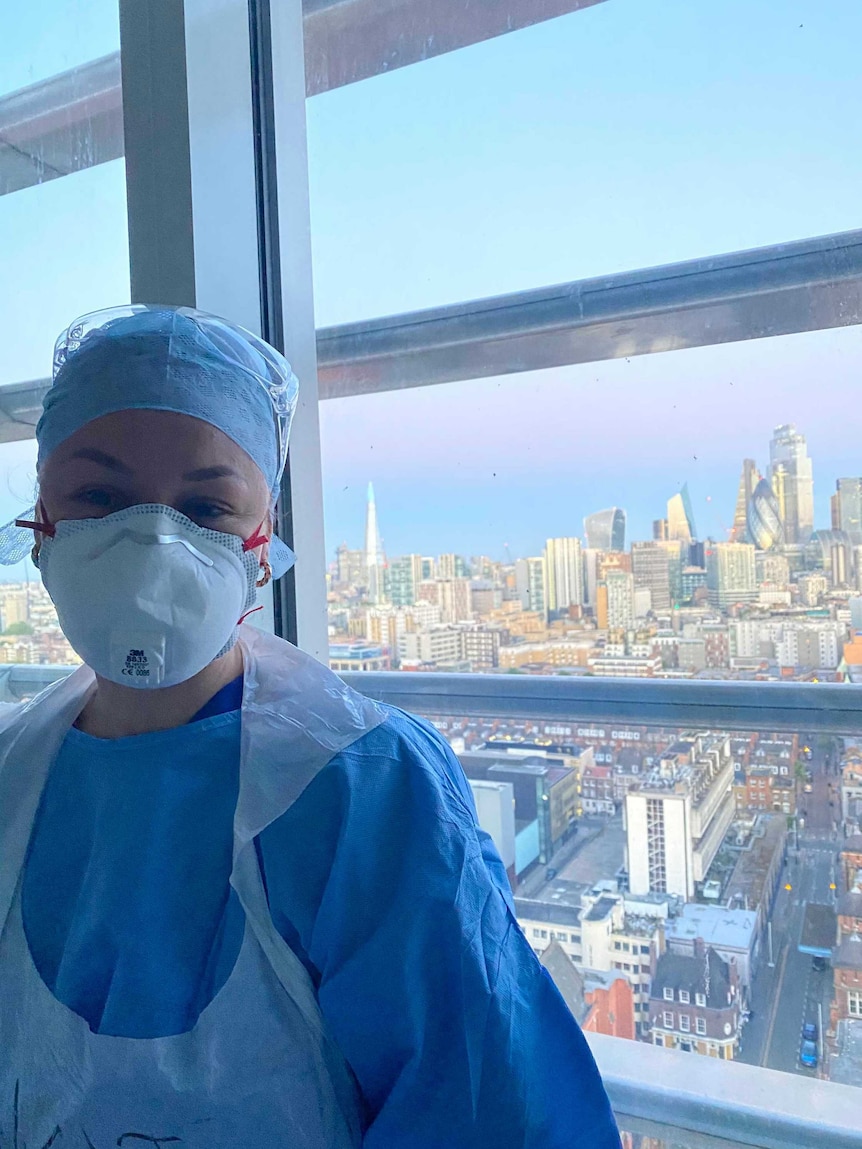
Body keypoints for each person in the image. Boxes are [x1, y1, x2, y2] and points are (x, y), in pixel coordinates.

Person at [0, 305, 620, 1147]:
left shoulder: (365, 793)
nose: (148, 541)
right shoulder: (10, 773)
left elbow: (493, 1110)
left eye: (205, 507)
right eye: (100, 496)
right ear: (40, 520)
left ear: (264, 541)